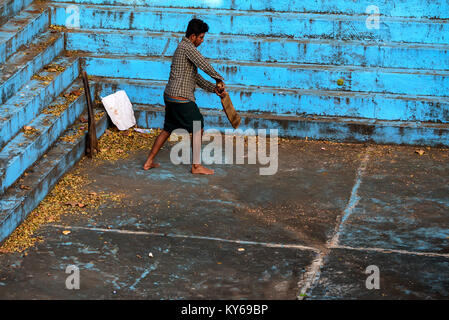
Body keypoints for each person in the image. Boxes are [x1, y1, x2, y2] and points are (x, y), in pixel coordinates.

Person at [143, 18, 226, 175]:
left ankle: (148, 162)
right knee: (198, 126)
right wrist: (218, 78)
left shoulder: (184, 49)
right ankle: (196, 166)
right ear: (193, 36)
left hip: (170, 96)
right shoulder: (187, 47)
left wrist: (213, 88)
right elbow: (203, 63)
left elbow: (195, 77)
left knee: (167, 129)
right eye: (201, 37)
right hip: (181, 97)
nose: (202, 41)